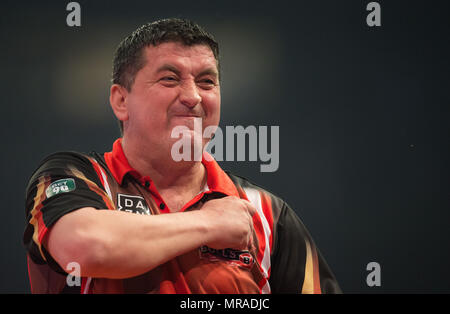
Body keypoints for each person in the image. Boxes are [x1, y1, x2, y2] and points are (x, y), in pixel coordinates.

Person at [23, 18, 341, 294]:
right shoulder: (75, 176)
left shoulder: (268, 215)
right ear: (121, 101)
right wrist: (208, 223)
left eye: (207, 82)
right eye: (170, 79)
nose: (192, 97)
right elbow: (85, 247)